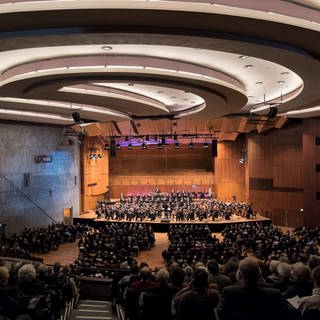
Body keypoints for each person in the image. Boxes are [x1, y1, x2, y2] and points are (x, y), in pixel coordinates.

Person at [217, 258, 300, 320]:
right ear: (259, 275)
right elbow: (288, 314)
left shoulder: (228, 291)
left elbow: (221, 313)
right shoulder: (274, 294)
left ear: (239, 275)